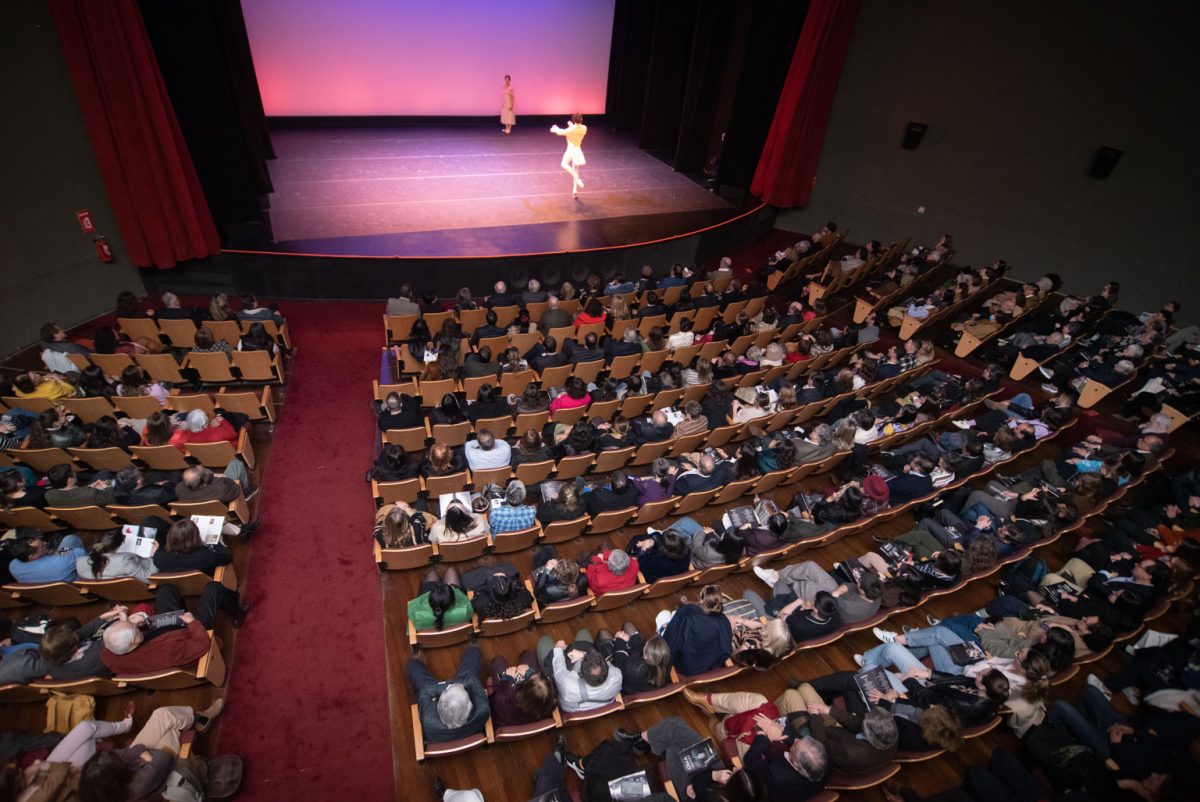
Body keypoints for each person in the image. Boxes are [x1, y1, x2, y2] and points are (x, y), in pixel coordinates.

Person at [100, 580, 246, 674]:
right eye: (134, 627)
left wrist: (129, 622)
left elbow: (112, 638)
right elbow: (202, 644)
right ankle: (238, 613)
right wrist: (192, 622)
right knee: (213, 588)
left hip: (162, 631)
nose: (134, 624)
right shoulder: (168, 653)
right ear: (133, 641)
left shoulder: (109, 654)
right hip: (188, 634)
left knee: (165, 590)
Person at [408, 645, 490, 743]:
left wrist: (449, 686)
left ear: (440, 701)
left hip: (439, 733)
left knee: (413, 666)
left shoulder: (428, 721)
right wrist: (458, 685)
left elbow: (425, 691)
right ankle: (474, 650)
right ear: (470, 705)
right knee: (473, 652)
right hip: (471, 730)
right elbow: (473, 681)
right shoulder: (483, 710)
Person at [9, 532, 86, 583]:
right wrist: (61, 553)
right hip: (75, 583)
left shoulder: (13, 566)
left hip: (47, 594)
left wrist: (47, 552)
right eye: (42, 545)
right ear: (31, 556)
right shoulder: (61, 561)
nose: (45, 543)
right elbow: (80, 553)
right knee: (70, 538)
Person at [550, 113, 588, 198]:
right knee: (576, 169)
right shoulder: (584, 128)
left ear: (574, 120)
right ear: (581, 120)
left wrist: (554, 128)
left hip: (571, 150)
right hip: (578, 149)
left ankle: (577, 180)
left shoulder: (570, 130)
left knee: (564, 164)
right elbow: (576, 128)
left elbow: (560, 132)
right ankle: (575, 190)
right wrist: (571, 124)